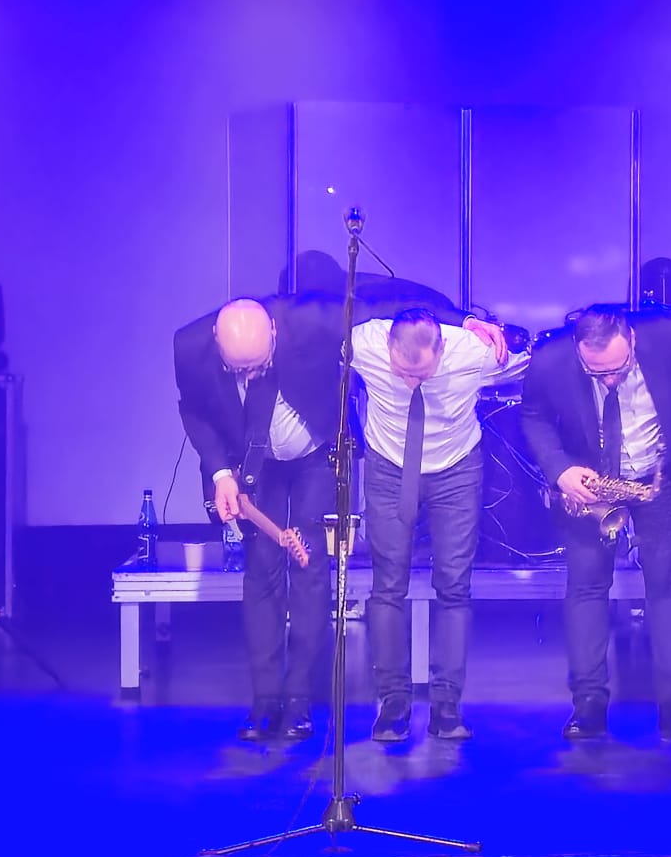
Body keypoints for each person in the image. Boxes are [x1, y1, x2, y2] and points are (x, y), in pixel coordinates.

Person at [173, 285, 501, 742]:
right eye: (240, 370)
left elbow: (389, 303)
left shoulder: (310, 319)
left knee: (309, 566)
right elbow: (195, 414)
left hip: (315, 455)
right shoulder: (188, 347)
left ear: (273, 331)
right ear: (215, 339)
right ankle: (264, 701)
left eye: (259, 364)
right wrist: (219, 472)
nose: (251, 375)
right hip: (251, 462)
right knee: (262, 571)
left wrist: (463, 319)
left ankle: (299, 700)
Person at [519, 305, 671, 742]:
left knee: (669, 585)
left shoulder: (669, 336)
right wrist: (560, 470)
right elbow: (533, 416)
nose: (609, 381)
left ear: (632, 341)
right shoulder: (551, 359)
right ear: (579, 352)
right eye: (597, 372)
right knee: (586, 587)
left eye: (618, 369)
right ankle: (587, 706)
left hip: (661, 477)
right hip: (590, 481)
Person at [349, 307, 525, 742]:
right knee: (387, 586)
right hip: (389, 467)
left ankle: (447, 705)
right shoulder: (364, 342)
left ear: (442, 350)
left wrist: (498, 332)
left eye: (422, 375)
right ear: (388, 347)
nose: (411, 382)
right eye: (403, 373)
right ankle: (392, 702)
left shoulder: (472, 353)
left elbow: (530, 353)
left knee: (454, 585)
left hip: (456, 470)